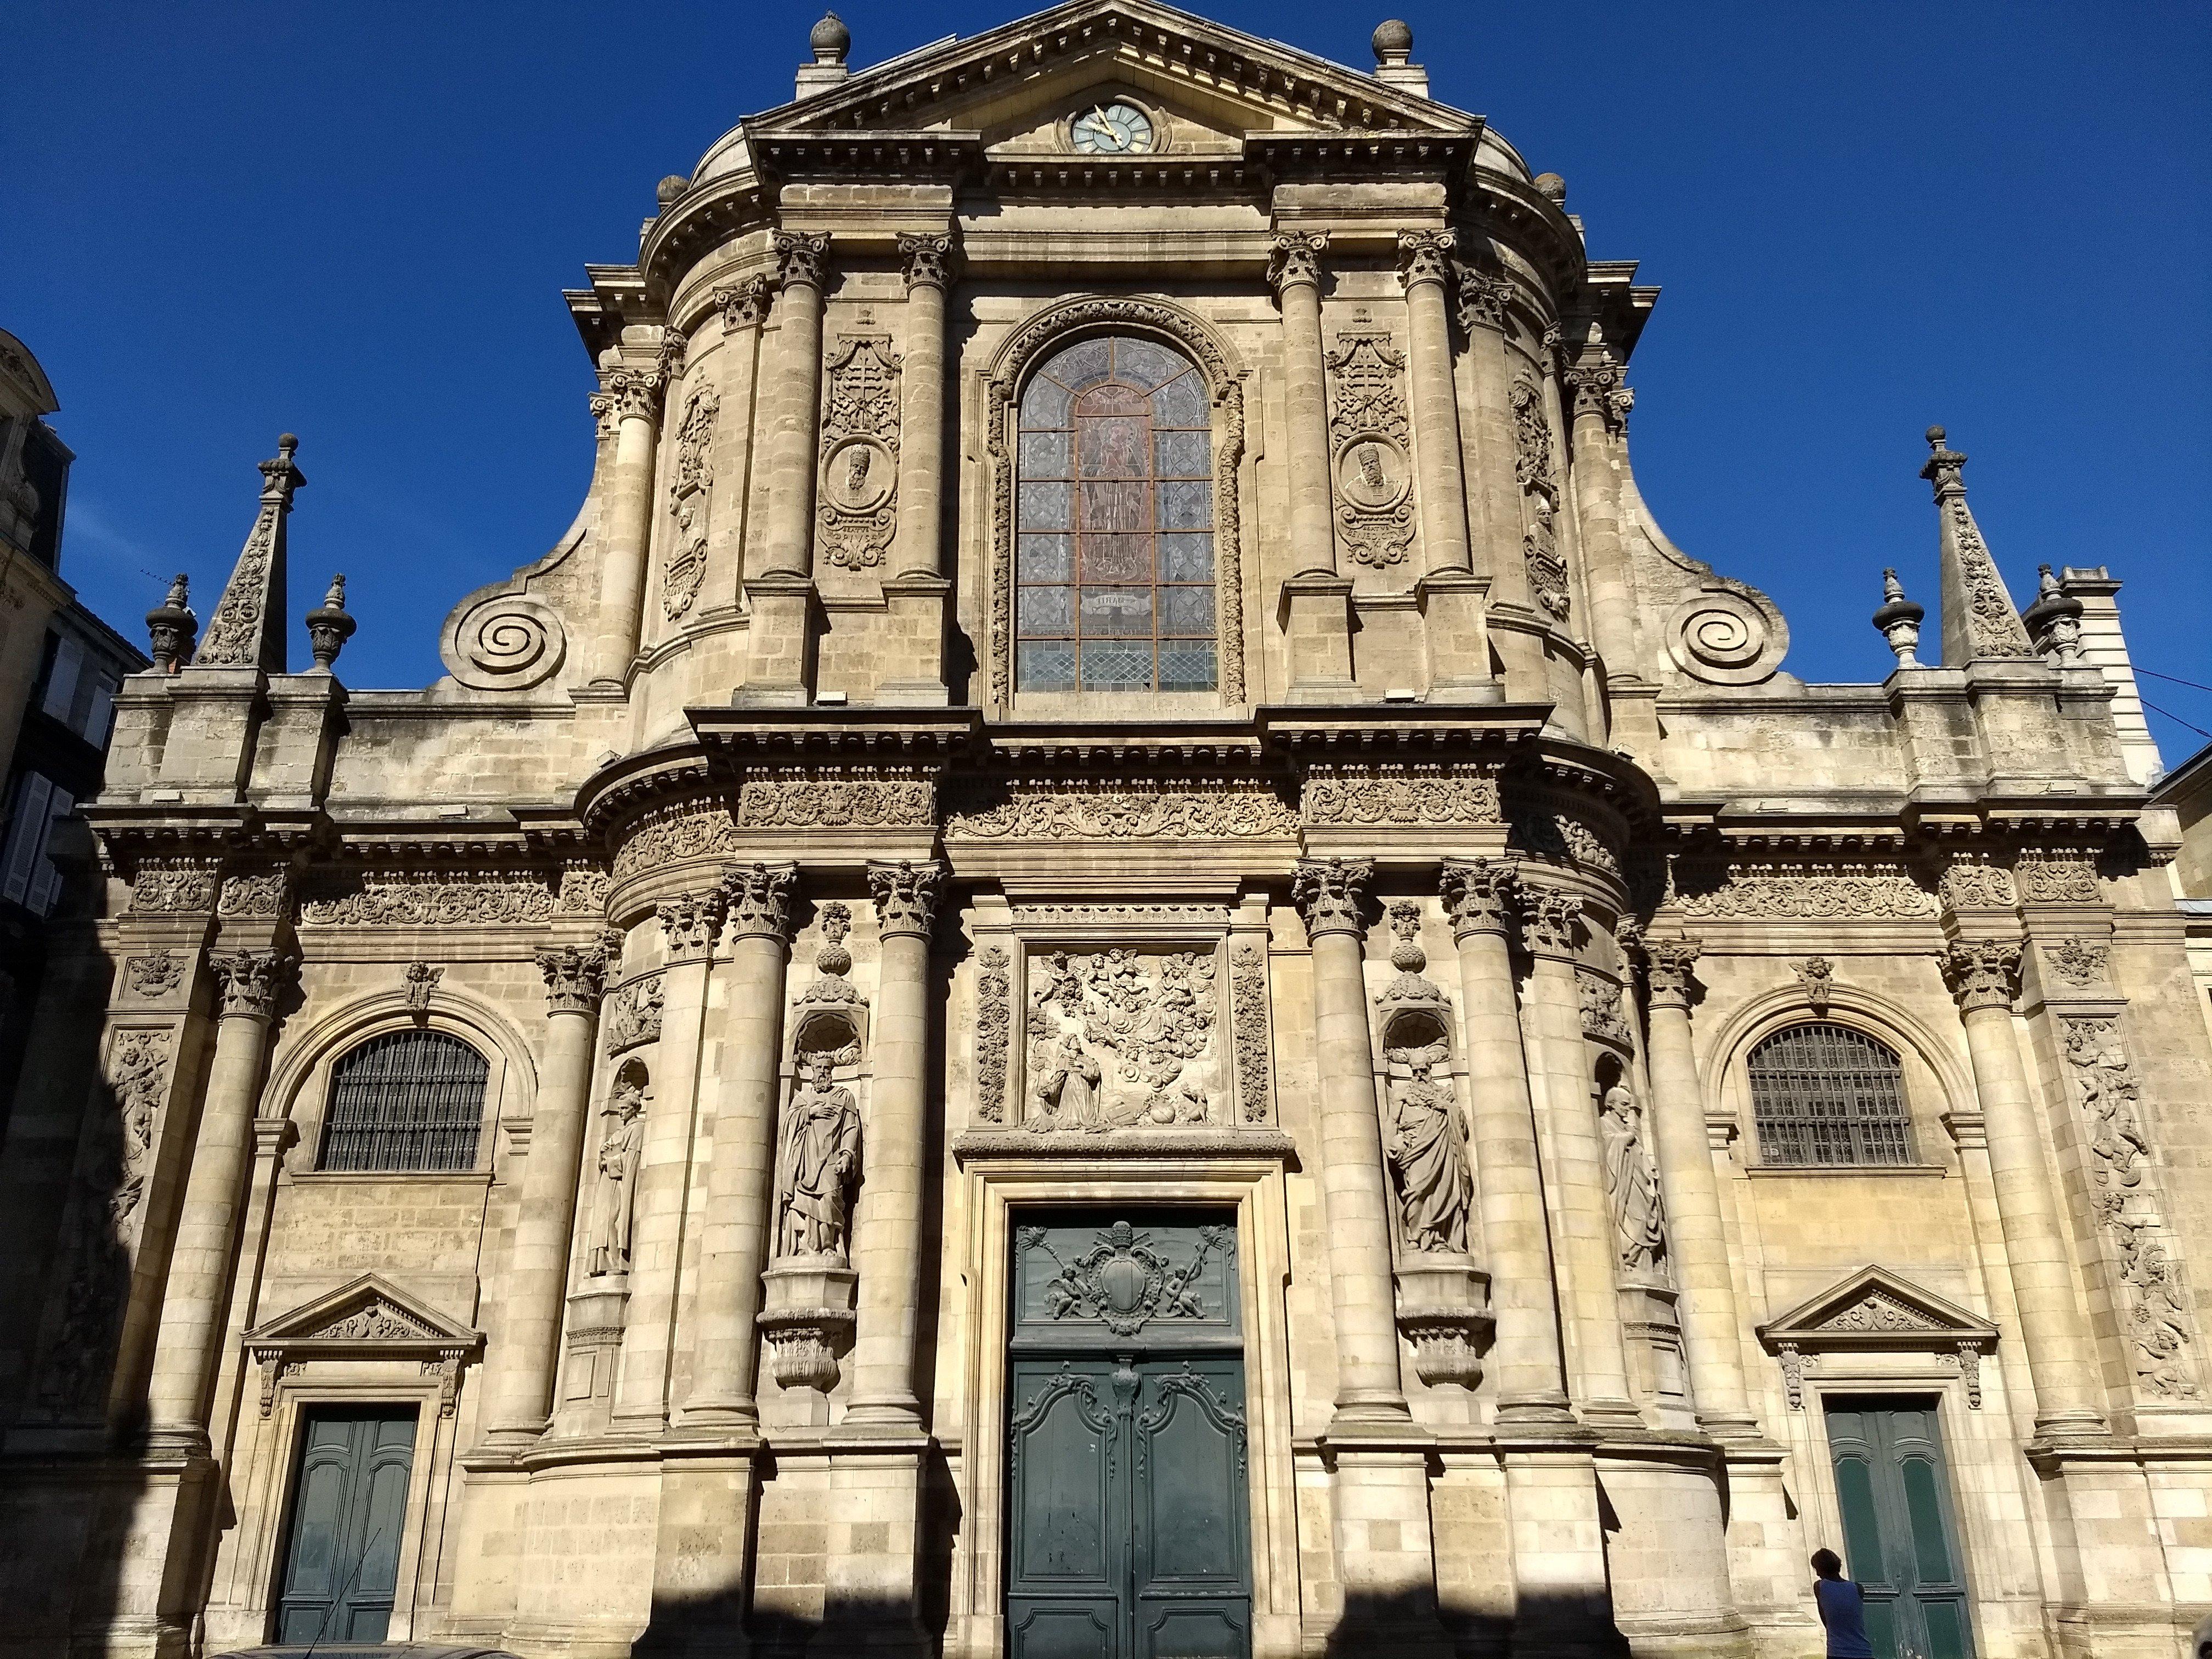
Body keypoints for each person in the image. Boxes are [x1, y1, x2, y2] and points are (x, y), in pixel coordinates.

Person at [1810, 1549, 1873, 1659]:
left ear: (1821, 1569)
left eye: (1817, 1569)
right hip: (1863, 1651)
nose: (1817, 1573)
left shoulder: (1819, 1587)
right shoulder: (1858, 1588)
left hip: (1838, 1651)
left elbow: (1825, 1620)